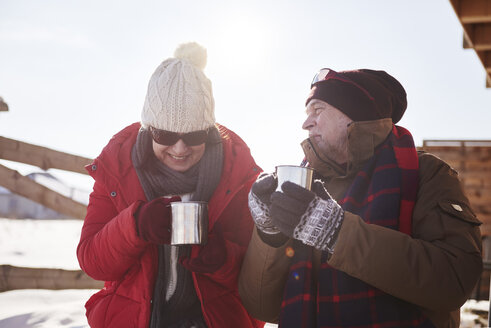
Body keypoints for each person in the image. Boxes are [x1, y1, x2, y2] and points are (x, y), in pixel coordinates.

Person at [239, 68, 483, 328]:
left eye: (318, 110)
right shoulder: (307, 186)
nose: (306, 123)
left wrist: (335, 233)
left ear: (355, 113)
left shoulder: (427, 173)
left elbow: (453, 281)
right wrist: (269, 234)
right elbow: (262, 307)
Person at [77, 42, 264, 328]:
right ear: (149, 129)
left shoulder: (236, 178)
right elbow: (93, 262)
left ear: (209, 133)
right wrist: (134, 225)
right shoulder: (116, 172)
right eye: (165, 134)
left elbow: (259, 276)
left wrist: (224, 259)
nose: (179, 148)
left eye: (193, 136)